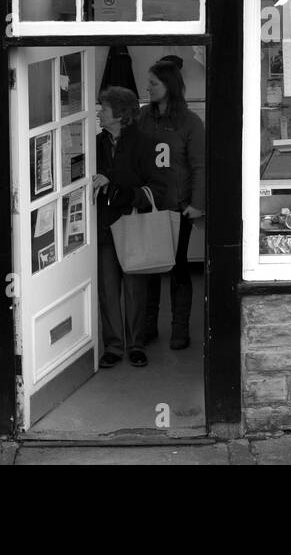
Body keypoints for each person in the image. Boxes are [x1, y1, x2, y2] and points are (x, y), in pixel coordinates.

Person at [92, 85, 172, 369]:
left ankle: (136, 344)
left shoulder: (146, 144)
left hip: (133, 225)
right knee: (108, 289)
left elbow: (158, 190)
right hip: (103, 227)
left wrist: (116, 189)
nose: (99, 112)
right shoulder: (95, 145)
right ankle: (113, 346)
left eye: (104, 107)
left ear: (120, 114)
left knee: (136, 289)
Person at [137, 55, 205, 350]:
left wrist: (198, 204)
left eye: (153, 83)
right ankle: (149, 326)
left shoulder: (190, 122)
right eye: (148, 83)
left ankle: (180, 330)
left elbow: (201, 166)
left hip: (179, 207)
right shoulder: (143, 117)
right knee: (151, 268)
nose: (148, 88)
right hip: (149, 205)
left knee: (178, 269)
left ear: (169, 86)